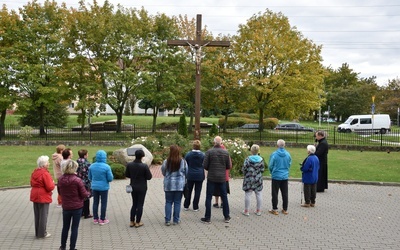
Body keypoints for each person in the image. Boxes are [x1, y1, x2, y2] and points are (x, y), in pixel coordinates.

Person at [58, 160, 90, 250]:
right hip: (77, 206)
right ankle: (72, 247)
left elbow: (59, 191)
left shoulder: (60, 179)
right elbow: (84, 194)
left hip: (66, 206)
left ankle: (62, 246)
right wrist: (88, 193)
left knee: (65, 227)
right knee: (74, 228)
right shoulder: (77, 180)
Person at [201, 136, 231, 224]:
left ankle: (208, 217)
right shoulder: (225, 152)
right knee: (224, 196)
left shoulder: (209, 152)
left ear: (214, 143)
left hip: (212, 177)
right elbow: (228, 166)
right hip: (222, 178)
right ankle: (226, 216)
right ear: (221, 143)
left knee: (209, 196)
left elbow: (205, 165)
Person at [125, 149, 152, 228]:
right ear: (142, 156)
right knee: (140, 204)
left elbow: (127, 175)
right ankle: (138, 222)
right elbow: (149, 177)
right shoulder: (144, 166)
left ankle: (131, 221)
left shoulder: (130, 165)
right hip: (142, 187)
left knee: (134, 203)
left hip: (133, 186)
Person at [161, 145, 187, 226]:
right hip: (179, 185)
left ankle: (167, 220)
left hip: (168, 184)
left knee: (168, 202)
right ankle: (176, 220)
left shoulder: (166, 161)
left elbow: (163, 172)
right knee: (177, 202)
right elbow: (186, 172)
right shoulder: (183, 161)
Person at [30, 155, 55, 239]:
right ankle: (42, 233)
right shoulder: (45, 174)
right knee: (43, 215)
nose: (49, 163)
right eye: (48, 162)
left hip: (35, 194)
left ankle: (37, 231)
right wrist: (52, 182)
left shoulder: (35, 172)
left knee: (37, 214)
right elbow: (50, 187)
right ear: (44, 164)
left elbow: (31, 183)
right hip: (43, 195)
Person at [88, 150, 114, 226]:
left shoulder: (92, 166)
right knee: (103, 203)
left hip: (95, 187)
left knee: (95, 202)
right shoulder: (106, 167)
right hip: (104, 187)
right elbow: (110, 178)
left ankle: (95, 218)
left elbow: (89, 177)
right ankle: (102, 219)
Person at [268, 139, 292, 215]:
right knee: (285, 193)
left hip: (276, 176)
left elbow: (270, 165)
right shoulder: (288, 154)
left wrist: (272, 172)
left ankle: (274, 208)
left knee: (275, 193)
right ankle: (285, 209)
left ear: (277, 145)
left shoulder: (274, 154)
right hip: (284, 176)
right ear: (284, 145)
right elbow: (289, 163)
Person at [242, 144, 265, 216]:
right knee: (259, 194)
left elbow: (244, 168)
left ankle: (246, 211)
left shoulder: (247, 159)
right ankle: (258, 210)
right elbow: (262, 169)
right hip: (258, 178)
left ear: (251, 151)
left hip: (249, 178)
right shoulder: (261, 160)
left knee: (248, 194)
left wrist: (246, 173)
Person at [183, 140, 205, 212]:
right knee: (197, 191)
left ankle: (186, 205)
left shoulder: (188, 154)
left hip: (190, 174)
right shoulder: (203, 155)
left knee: (188, 190)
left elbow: (185, 164)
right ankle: (195, 206)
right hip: (199, 175)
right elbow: (204, 164)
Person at [212, 143, 230, 208]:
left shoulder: (213, 154)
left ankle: (216, 202)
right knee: (223, 190)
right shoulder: (226, 154)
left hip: (215, 175)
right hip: (224, 175)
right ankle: (222, 202)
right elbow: (230, 165)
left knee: (216, 189)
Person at [76, 149, 92, 218]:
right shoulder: (87, 163)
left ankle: (80, 212)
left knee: (79, 197)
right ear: (85, 155)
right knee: (86, 197)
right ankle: (86, 213)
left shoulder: (76, 162)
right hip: (85, 182)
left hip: (77, 181)